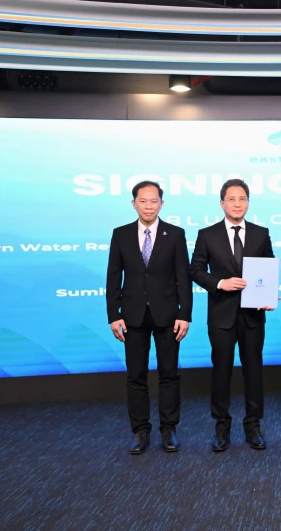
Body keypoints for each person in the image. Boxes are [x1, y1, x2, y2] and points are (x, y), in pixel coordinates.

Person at [106, 180, 192, 455]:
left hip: (168, 315)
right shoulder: (121, 234)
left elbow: (183, 278)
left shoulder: (175, 234)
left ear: (161, 204)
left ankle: (169, 429)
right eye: (143, 201)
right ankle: (140, 431)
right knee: (136, 376)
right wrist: (113, 314)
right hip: (132, 316)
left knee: (169, 375)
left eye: (154, 201)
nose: (148, 206)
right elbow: (113, 277)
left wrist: (185, 314)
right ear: (134, 204)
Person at [190, 179, 275, 452]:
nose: (237, 204)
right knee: (221, 372)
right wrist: (219, 283)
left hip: (253, 315)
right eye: (232, 199)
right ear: (222, 203)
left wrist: (268, 294)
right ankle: (221, 427)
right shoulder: (207, 234)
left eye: (242, 199)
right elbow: (195, 270)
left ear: (248, 202)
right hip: (221, 315)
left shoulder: (261, 233)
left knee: (254, 372)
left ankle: (253, 426)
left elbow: (268, 267)